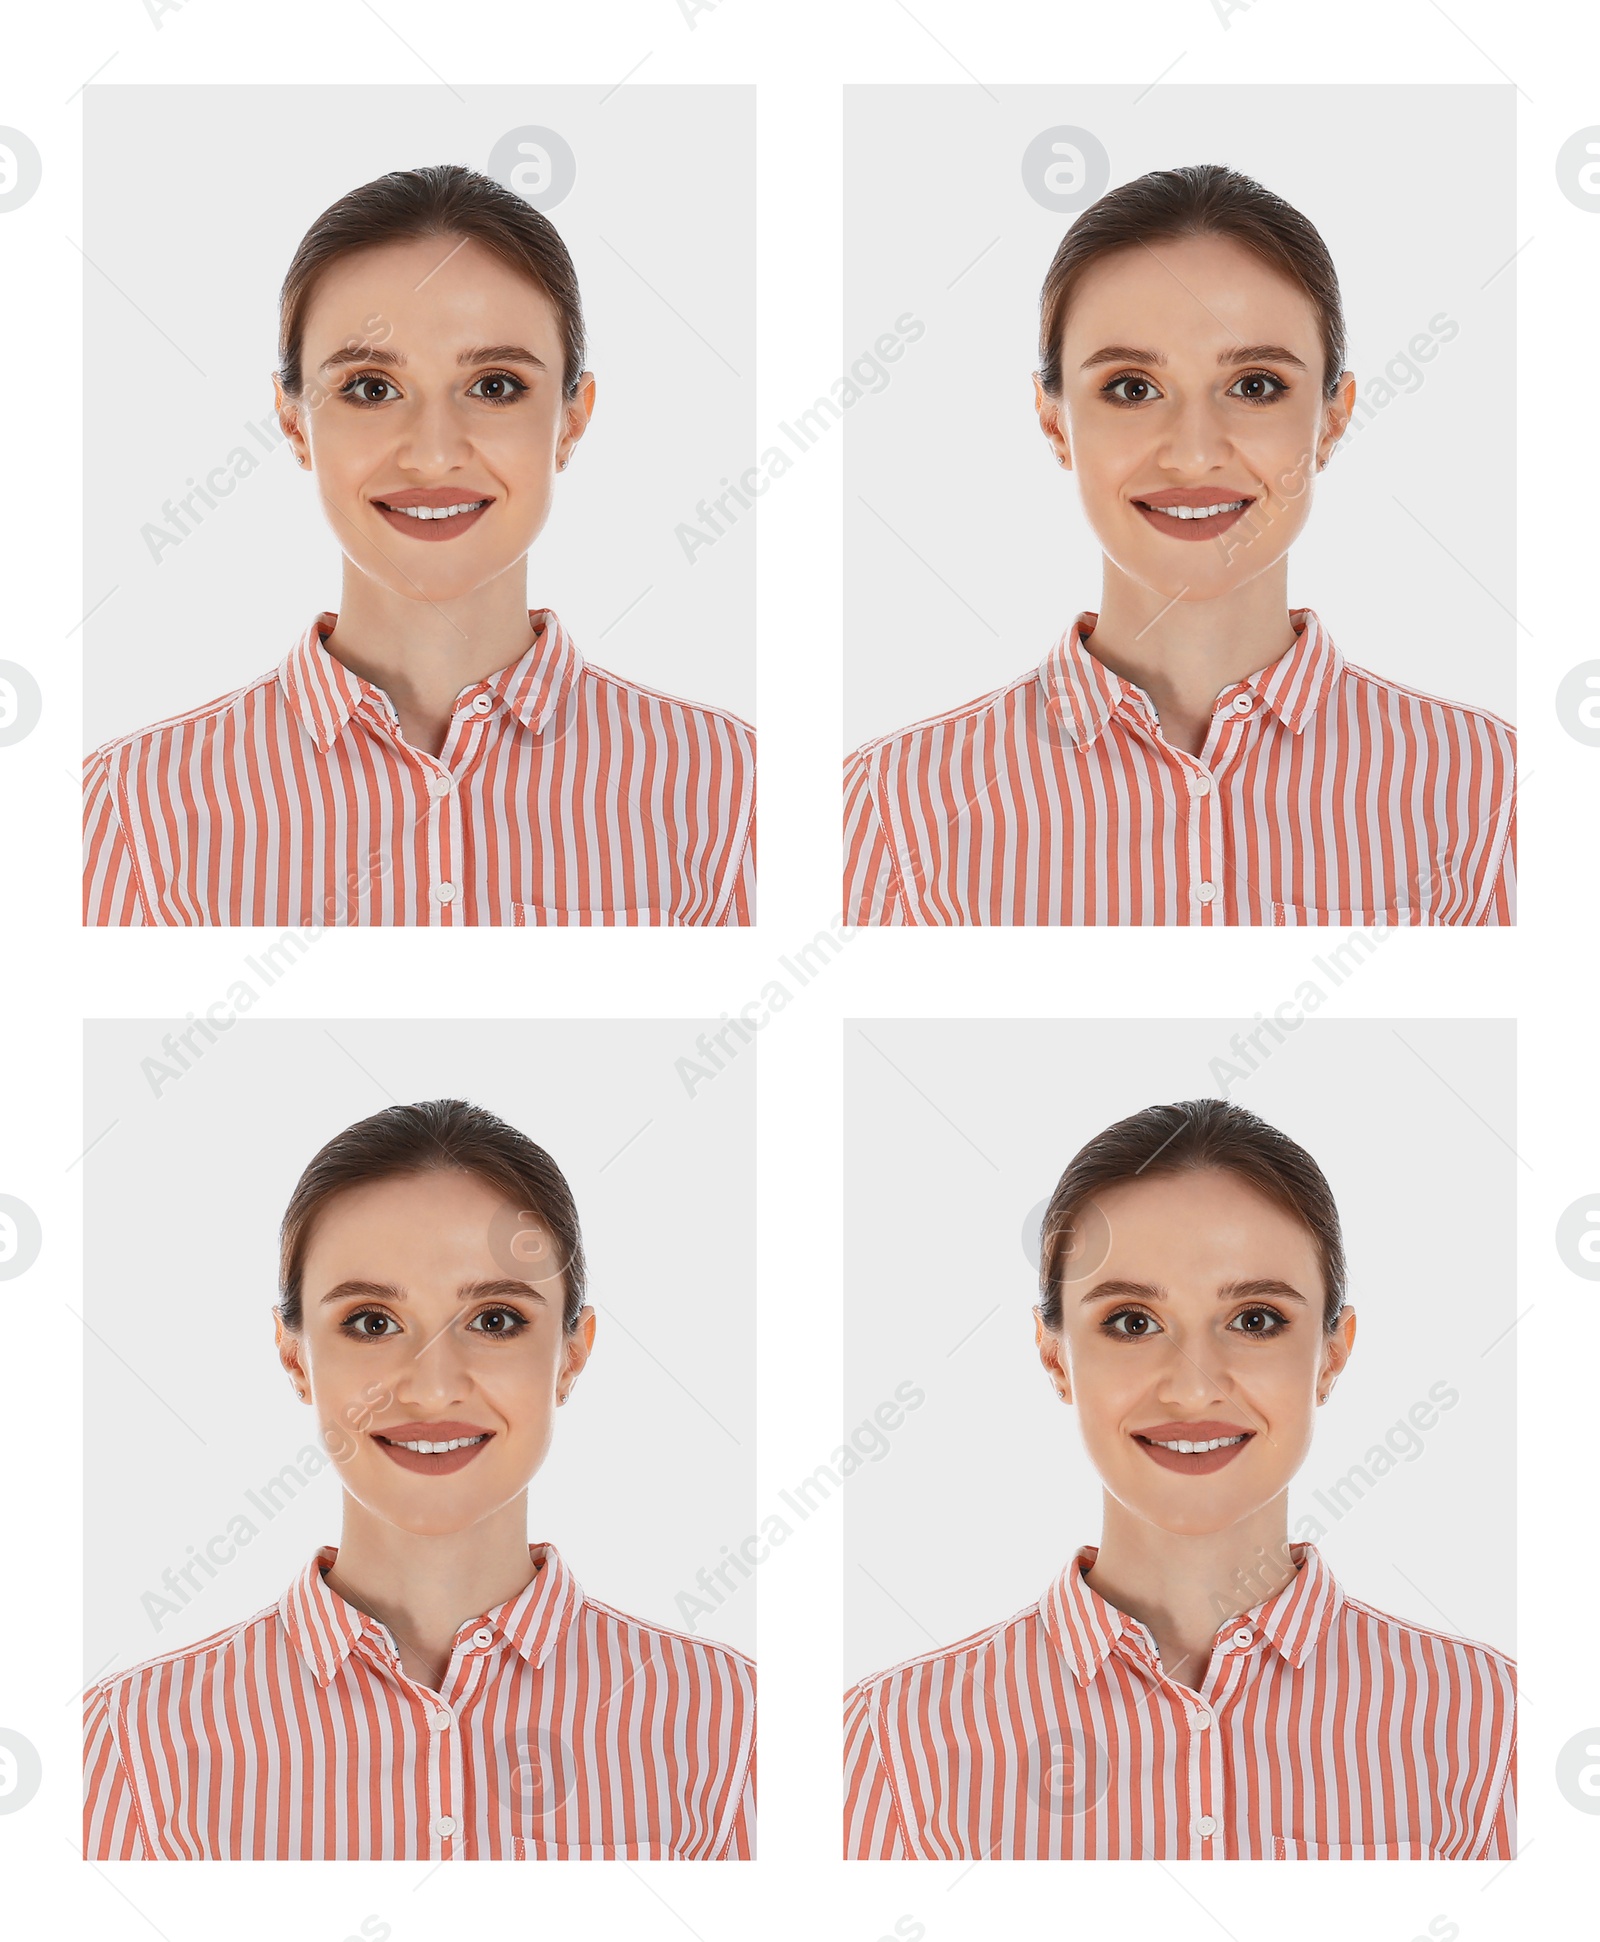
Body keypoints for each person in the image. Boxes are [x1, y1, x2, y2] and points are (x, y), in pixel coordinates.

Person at [84, 165, 754, 926]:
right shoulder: (131, 806)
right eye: (371, 388)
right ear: (294, 421)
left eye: (496, 386)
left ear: (572, 420)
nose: (433, 456)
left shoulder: (733, 788)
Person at [843, 165, 1514, 925]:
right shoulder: (894, 801)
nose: (1194, 456)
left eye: (1256, 385)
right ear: (1054, 421)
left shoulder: (1493, 788)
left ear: (1332, 419)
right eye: (1132, 387)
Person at [843, 1098, 1513, 1858]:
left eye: (1256, 1320)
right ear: (1055, 1355)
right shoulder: (892, 1738)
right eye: (1132, 1321)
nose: (1194, 1390)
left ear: (1332, 1354)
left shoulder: (1494, 1724)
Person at [85, 1099, 755, 1859]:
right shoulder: (130, 1741)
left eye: (496, 1319)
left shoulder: (738, 1725)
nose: (433, 1390)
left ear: (571, 1354)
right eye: (372, 1322)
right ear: (294, 1356)